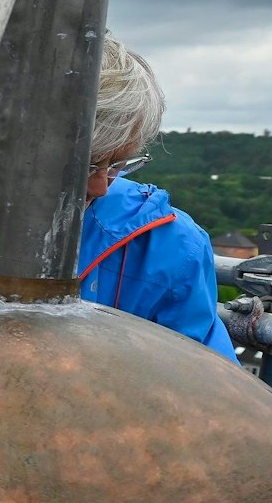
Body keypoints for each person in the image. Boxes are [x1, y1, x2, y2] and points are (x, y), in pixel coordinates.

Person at [78, 36, 236, 361]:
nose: (100, 186)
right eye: (88, 163)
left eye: (118, 164)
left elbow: (206, 382)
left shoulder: (172, 247)